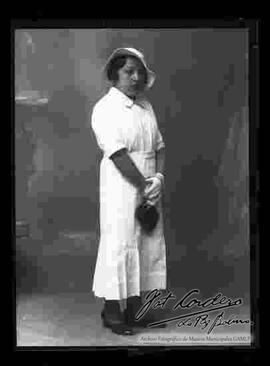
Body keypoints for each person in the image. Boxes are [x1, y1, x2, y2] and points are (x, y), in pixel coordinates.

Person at [91, 47, 166, 335]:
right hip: (121, 184)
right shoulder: (105, 109)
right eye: (128, 72)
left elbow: (159, 146)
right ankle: (112, 312)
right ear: (114, 75)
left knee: (146, 241)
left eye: (140, 72)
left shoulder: (146, 107)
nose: (136, 77)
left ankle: (135, 310)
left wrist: (157, 178)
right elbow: (118, 155)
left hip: (149, 184)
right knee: (120, 242)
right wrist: (144, 185)